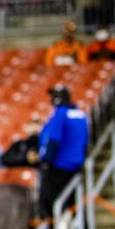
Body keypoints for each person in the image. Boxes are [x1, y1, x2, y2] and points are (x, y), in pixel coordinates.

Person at [38, 85, 88, 220]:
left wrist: (46, 161)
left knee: (50, 203)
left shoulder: (60, 114)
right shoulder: (80, 114)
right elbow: (85, 142)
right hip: (75, 165)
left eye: (55, 96)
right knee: (73, 201)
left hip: (58, 166)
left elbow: (54, 139)